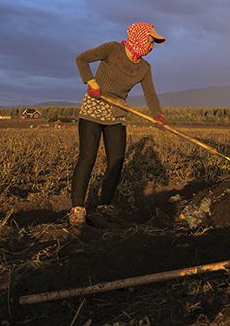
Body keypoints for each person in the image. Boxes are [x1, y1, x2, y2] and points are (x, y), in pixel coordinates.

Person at [70, 22, 167, 227]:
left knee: (117, 160)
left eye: (153, 43)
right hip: (94, 106)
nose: (152, 46)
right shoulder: (112, 49)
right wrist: (91, 82)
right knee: (88, 156)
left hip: (117, 111)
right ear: (139, 37)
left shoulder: (144, 68)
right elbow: (82, 59)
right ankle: (77, 209)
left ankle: (105, 205)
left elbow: (150, 94)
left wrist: (158, 116)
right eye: (151, 41)